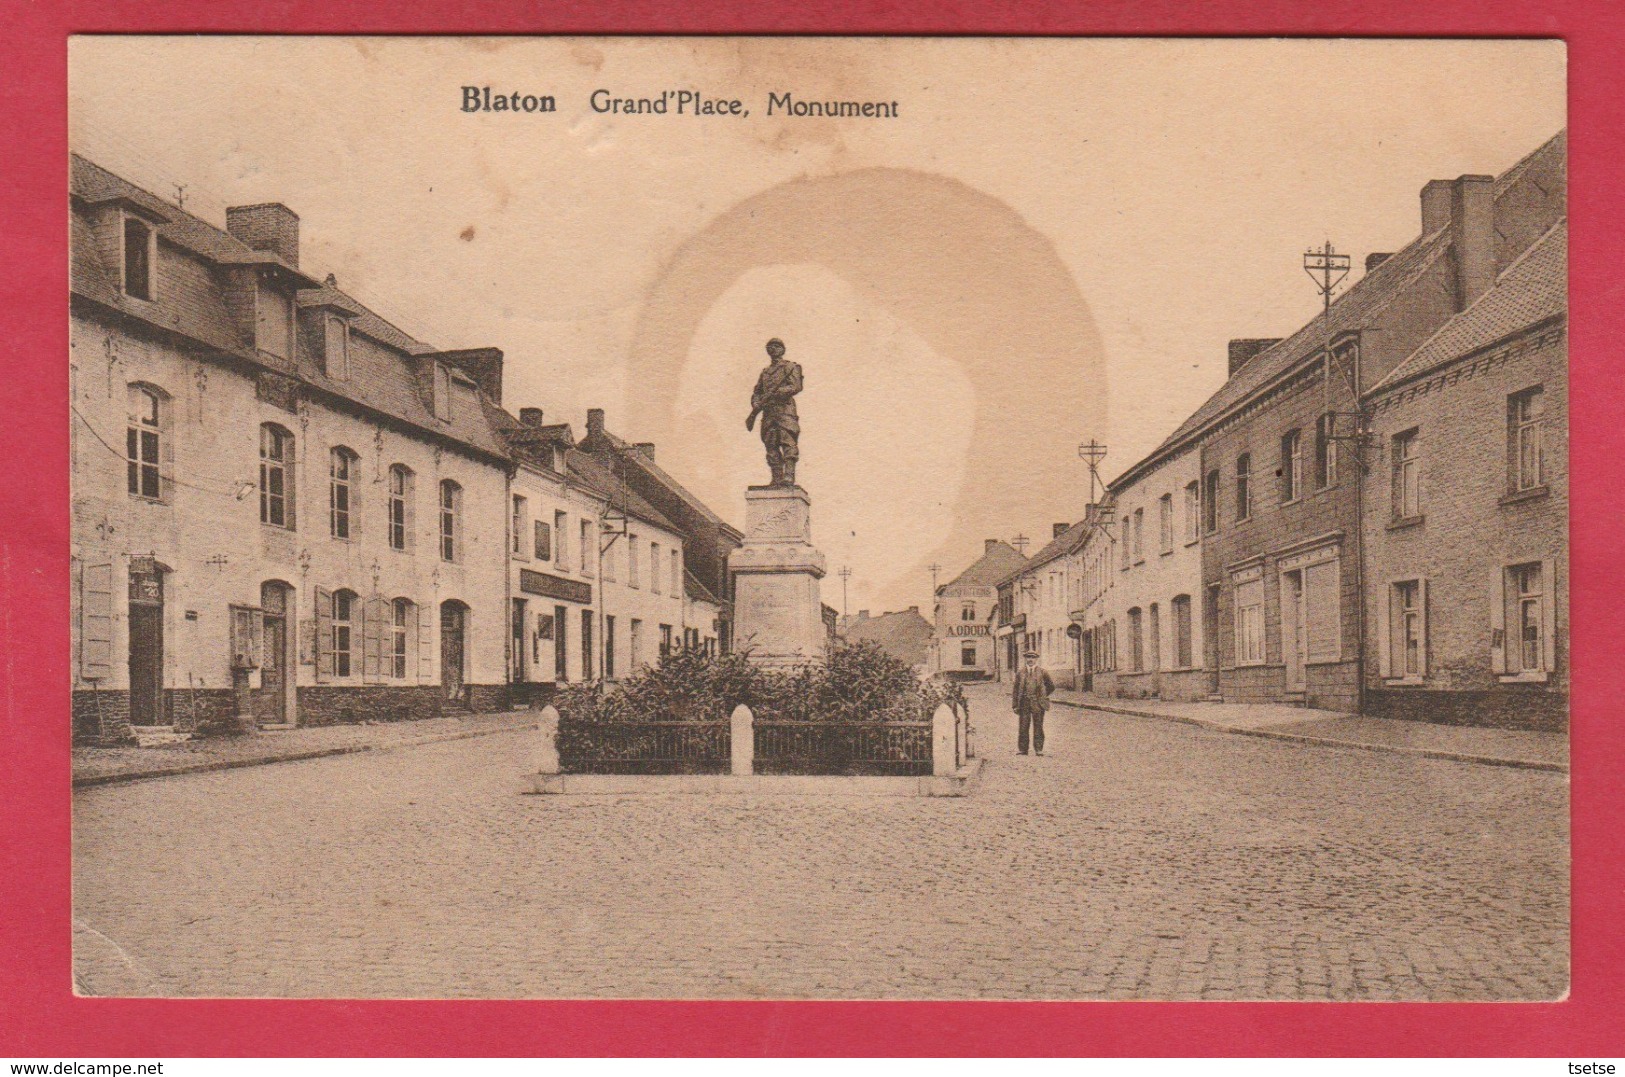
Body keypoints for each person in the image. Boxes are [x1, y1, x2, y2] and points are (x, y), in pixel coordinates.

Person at [745, 338, 803, 487]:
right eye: (770, 346)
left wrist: (777, 392)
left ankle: (789, 476)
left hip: (785, 411)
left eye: (777, 346)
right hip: (768, 412)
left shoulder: (790, 367)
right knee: (771, 444)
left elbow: (795, 386)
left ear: (782, 350)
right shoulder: (765, 373)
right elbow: (757, 392)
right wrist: (756, 403)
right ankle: (776, 478)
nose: (773, 349)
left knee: (787, 442)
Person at [1012, 648, 1054, 756]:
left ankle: (1039, 749)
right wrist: (1015, 705)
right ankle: (1023, 749)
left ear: (1036, 659)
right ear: (1025, 659)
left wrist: (1043, 696)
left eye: (1033, 658)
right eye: (1028, 657)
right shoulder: (1020, 673)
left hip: (1037, 703)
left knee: (1038, 726)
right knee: (1023, 726)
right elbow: (1016, 689)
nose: (1030, 660)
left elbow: (1051, 686)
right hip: (1024, 702)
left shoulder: (1043, 672)